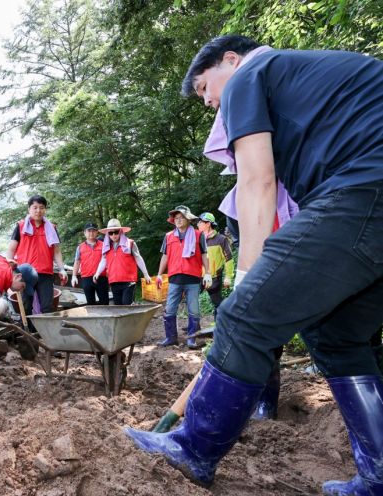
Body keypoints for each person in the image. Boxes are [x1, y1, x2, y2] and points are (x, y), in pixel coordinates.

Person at [124, 35, 383, 494]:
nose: (208, 103)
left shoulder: (251, 76)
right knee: (336, 335)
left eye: (205, 88)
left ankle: (193, 447)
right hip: (367, 200)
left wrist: (247, 282)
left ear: (230, 60)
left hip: (367, 189)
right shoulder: (311, 79)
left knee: (244, 313)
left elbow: (258, 183)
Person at [154, 206, 210, 349]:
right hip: (175, 278)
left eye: (181, 217)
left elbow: (204, 254)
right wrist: (160, 274)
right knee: (170, 308)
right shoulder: (169, 236)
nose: (178, 220)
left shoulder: (199, 235)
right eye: (176, 218)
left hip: (193, 277)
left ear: (188, 219)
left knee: (194, 309)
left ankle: (192, 339)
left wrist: (208, 273)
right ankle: (171, 338)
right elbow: (165, 256)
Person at [6, 195, 67, 316]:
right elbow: (11, 250)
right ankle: (29, 333)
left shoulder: (51, 228)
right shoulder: (21, 226)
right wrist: (10, 271)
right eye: (35, 207)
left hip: (46, 273)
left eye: (41, 207)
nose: (38, 211)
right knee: (26, 306)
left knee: (47, 307)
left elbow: (57, 251)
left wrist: (62, 269)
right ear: (29, 209)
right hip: (25, 274)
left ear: (45, 210)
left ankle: (45, 334)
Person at [92, 219, 151, 305]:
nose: (113, 235)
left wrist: (146, 274)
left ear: (120, 231)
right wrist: (97, 273)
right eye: (110, 233)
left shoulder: (130, 244)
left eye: (116, 232)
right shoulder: (106, 246)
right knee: (118, 307)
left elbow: (138, 258)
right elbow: (103, 260)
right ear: (108, 234)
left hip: (129, 281)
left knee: (127, 304)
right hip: (114, 282)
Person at [196, 212, 234, 317]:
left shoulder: (221, 239)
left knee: (217, 302)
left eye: (200, 222)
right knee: (192, 299)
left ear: (208, 224)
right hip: (199, 276)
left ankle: (222, 325)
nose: (198, 224)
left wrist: (228, 277)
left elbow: (229, 259)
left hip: (214, 277)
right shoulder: (198, 240)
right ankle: (194, 326)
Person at [71, 223, 109, 305]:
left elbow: (108, 260)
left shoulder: (104, 245)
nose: (91, 233)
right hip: (86, 278)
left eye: (93, 231)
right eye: (89, 231)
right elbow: (77, 261)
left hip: (101, 278)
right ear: (84, 233)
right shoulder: (80, 247)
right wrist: (74, 276)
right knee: (90, 303)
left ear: (97, 232)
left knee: (105, 303)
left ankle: (105, 318)